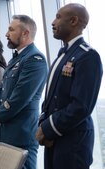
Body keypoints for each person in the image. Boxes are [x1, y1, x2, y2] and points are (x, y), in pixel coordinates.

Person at [36, 3, 103, 169]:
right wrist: (44, 126)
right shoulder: (64, 54)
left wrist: (48, 128)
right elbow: (51, 98)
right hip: (55, 139)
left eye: (58, 17)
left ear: (73, 21)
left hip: (72, 142)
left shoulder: (88, 56)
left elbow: (81, 106)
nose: (53, 22)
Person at [0, 15, 48, 169]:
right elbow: (0, 88)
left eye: (11, 29)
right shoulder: (16, 59)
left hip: (22, 132)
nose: (6, 34)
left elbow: (20, 98)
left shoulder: (35, 59)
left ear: (25, 33)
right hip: (6, 131)